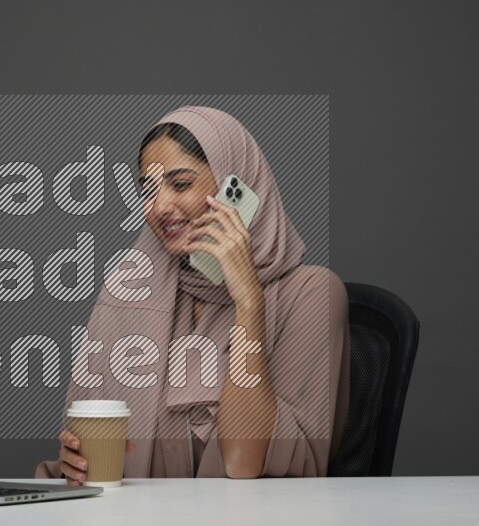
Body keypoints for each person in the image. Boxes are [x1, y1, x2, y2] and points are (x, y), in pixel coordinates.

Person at [35, 106, 350, 480]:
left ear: (240, 188)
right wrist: (77, 462)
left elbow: (243, 463)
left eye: (180, 184)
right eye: (148, 190)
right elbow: (95, 450)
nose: (161, 207)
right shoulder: (132, 290)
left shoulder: (312, 294)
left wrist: (248, 300)